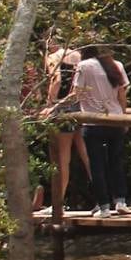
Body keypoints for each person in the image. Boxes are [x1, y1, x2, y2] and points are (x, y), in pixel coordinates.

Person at [72, 43, 131, 217]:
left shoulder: (83, 66)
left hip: (93, 122)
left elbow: (78, 93)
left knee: (97, 165)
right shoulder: (117, 65)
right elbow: (122, 95)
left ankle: (104, 206)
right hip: (115, 119)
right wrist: (124, 118)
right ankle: (121, 200)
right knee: (116, 162)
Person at [40, 34, 90, 212]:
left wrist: (50, 105)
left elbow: (58, 80)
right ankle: (105, 198)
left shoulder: (54, 57)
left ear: (50, 43)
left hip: (63, 108)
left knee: (62, 157)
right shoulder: (77, 55)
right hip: (79, 105)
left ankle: (57, 203)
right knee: (86, 153)